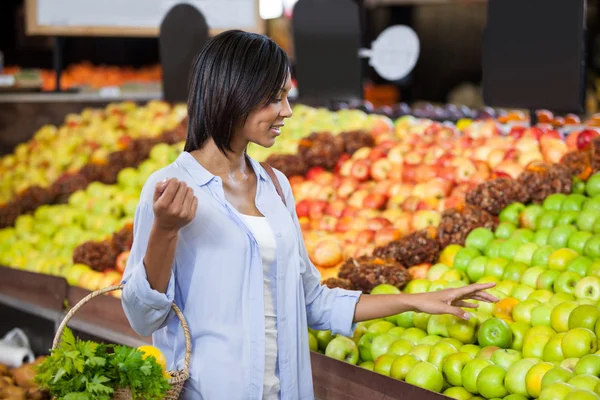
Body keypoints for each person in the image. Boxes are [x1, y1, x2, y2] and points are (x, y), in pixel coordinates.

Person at [121, 30, 498, 400]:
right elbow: (142, 317)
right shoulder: (171, 187)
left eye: (286, 96)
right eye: (273, 98)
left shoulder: (276, 186)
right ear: (231, 94)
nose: (286, 110)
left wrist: (417, 300)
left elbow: (312, 301)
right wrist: (165, 231)